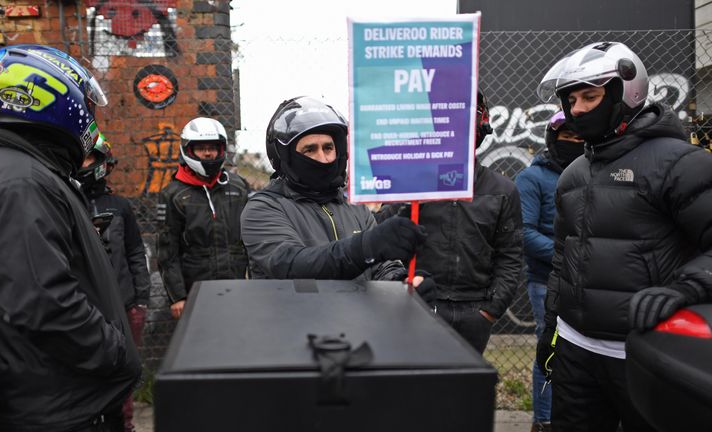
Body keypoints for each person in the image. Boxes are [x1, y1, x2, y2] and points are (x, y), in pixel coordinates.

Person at [0, 44, 140, 431]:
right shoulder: (18, 180)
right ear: (50, 99)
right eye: (87, 109)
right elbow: (41, 301)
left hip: (56, 402)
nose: (91, 120)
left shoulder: (18, 168)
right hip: (61, 409)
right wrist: (115, 353)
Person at [536, 41, 712, 431]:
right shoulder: (573, 174)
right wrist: (552, 329)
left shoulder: (680, 164)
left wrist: (684, 289)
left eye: (589, 96)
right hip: (575, 352)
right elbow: (563, 259)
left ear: (625, 94)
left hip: (644, 353)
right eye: (570, 99)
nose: (577, 109)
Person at [375, 90, 524, 354]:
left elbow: (510, 256)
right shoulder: (411, 183)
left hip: (474, 311)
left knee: (463, 393)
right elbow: (380, 239)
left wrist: (489, 311)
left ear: (482, 122)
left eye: (467, 115)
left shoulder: (503, 190)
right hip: (421, 302)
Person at [241, 96, 430, 288]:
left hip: (357, 318)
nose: (322, 158)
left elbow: (382, 268)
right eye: (310, 150)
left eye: (328, 148)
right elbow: (293, 265)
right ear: (286, 157)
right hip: (293, 316)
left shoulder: (355, 209)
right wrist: (366, 247)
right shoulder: (263, 209)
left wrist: (402, 283)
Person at [76, 133, 152, 432]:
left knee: (125, 373)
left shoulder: (120, 205)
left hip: (123, 304)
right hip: (84, 308)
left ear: (103, 163)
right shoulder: (66, 200)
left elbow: (135, 252)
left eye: (89, 157)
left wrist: (140, 300)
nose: (83, 164)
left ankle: (125, 425)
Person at [514, 111, 584, 432]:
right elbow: (524, 233)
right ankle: (543, 421)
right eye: (567, 137)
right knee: (551, 349)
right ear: (553, 139)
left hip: (589, 280)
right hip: (547, 281)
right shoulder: (532, 179)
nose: (575, 143)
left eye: (580, 137)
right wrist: (568, 254)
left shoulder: (591, 173)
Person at [157, 117, 249, 320]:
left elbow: (253, 237)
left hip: (237, 285)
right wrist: (177, 296)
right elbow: (167, 251)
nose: (208, 153)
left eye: (213, 147)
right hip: (195, 290)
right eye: (201, 148)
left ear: (221, 149)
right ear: (188, 150)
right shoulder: (173, 194)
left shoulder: (238, 187)